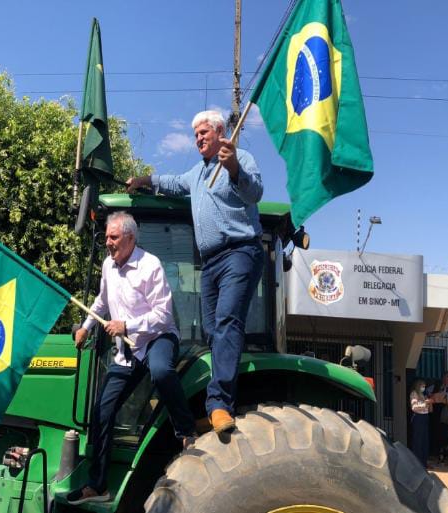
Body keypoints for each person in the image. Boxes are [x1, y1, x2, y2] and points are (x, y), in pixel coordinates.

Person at [127, 110, 264, 433]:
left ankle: (218, 404)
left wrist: (233, 168)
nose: (198, 139)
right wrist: (145, 181)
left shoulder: (241, 158)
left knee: (228, 321)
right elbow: (172, 183)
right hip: (211, 262)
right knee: (211, 331)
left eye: (204, 133)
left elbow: (254, 192)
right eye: (195, 135)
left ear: (219, 132)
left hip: (240, 252)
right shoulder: (197, 174)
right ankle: (211, 403)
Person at [66, 211, 196, 505]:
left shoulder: (150, 265)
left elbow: (163, 316)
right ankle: (97, 485)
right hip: (128, 348)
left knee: (162, 371)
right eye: (107, 238)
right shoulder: (108, 266)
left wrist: (127, 325)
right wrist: (86, 328)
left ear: (130, 238)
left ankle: (186, 432)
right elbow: (102, 300)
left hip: (157, 338)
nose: (108, 243)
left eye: (113, 237)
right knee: (101, 410)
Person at [427, 371, 448, 463]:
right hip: (438, 416)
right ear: (443, 378)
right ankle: (439, 454)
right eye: (447, 378)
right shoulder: (436, 387)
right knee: (439, 435)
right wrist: (435, 397)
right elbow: (427, 394)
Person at [410, 379, 433, 468]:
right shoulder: (414, 394)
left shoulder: (423, 394)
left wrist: (429, 403)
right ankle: (417, 462)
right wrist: (425, 404)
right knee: (418, 441)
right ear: (418, 385)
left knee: (424, 441)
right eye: (422, 386)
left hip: (425, 417)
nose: (424, 388)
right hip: (418, 418)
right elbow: (414, 407)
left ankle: (424, 462)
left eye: (424, 386)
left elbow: (429, 408)